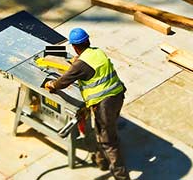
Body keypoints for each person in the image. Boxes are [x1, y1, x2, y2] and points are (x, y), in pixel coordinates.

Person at [45, 28, 130, 180]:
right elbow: (88, 67)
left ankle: (121, 176)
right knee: (105, 130)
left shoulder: (80, 65)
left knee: (108, 141)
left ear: (75, 47)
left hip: (104, 104)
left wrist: (52, 84)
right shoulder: (97, 52)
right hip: (118, 95)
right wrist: (77, 61)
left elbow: (63, 82)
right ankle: (102, 160)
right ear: (88, 41)